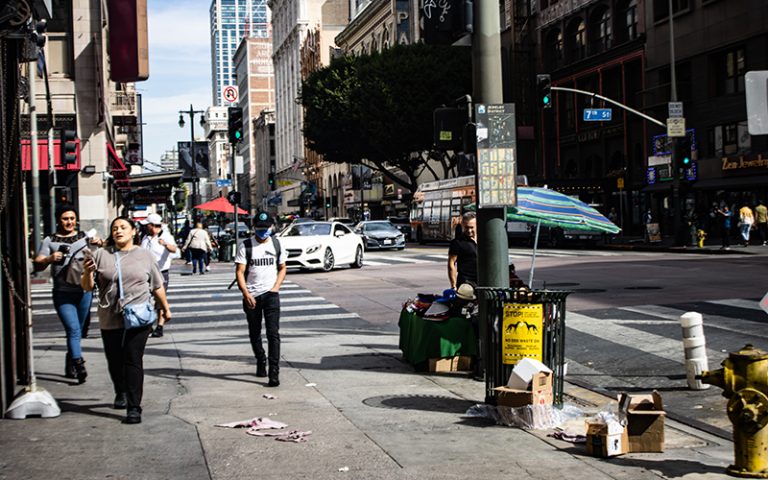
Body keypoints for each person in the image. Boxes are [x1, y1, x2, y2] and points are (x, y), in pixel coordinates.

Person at [81, 216, 171, 425]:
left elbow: (157, 285)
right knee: (115, 359)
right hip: (110, 316)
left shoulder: (145, 255)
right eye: (115, 228)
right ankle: (120, 391)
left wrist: (165, 309)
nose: (118, 231)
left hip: (139, 316)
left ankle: (134, 407)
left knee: (132, 358)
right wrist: (87, 271)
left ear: (133, 232)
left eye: (123, 227)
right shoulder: (101, 255)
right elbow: (86, 287)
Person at [33, 205, 102, 383]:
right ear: (58, 220)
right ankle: (79, 364)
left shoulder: (85, 237)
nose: (69, 222)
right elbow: (38, 262)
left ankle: (70, 359)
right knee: (73, 330)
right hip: (62, 293)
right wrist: (49, 258)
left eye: (72, 218)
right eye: (65, 218)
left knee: (77, 332)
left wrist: (99, 243)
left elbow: (103, 249)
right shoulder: (50, 240)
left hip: (84, 291)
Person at [235, 212, 287, 387]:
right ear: (254, 228)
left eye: (265, 229)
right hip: (252, 296)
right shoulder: (246, 246)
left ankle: (274, 372)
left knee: (273, 334)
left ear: (271, 228)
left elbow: (282, 268)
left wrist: (276, 288)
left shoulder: (277, 244)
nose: (263, 232)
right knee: (255, 333)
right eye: (259, 228)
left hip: (271, 295)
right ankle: (260, 359)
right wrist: (246, 293)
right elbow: (240, 272)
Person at [140, 213, 178, 338]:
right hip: (146, 272)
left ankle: (160, 326)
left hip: (161, 272)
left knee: (160, 300)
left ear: (152, 225)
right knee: (145, 299)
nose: (146, 227)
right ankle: (148, 325)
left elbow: (175, 249)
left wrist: (165, 244)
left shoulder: (166, 236)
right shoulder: (145, 237)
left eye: (148, 225)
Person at [448, 212, 477, 290]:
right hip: (465, 283)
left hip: (483, 282)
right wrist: (453, 286)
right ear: (463, 226)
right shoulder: (457, 242)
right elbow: (451, 263)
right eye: (466, 227)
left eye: (472, 227)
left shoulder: (485, 239)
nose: (469, 230)